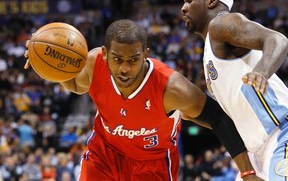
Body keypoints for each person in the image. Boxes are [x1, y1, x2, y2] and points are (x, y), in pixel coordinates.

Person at [24, 19, 262, 180]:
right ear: (105, 54)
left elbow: (218, 119)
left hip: (153, 162)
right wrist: (48, 65)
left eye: (133, 60)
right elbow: (75, 84)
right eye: (117, 59)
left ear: (145, 55)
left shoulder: (173, 88)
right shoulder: (93, 62)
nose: (124, 68)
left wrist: (247, 172)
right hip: (105, 153)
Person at [181, 0, 288, 181]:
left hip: (281, 133)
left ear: (211, 1)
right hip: (256, 152)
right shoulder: (209, 53)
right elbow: (229, 117)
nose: (183, 8)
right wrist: (195, 114)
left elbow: (277, 39)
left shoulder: (221, 24)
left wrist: (262, 71)